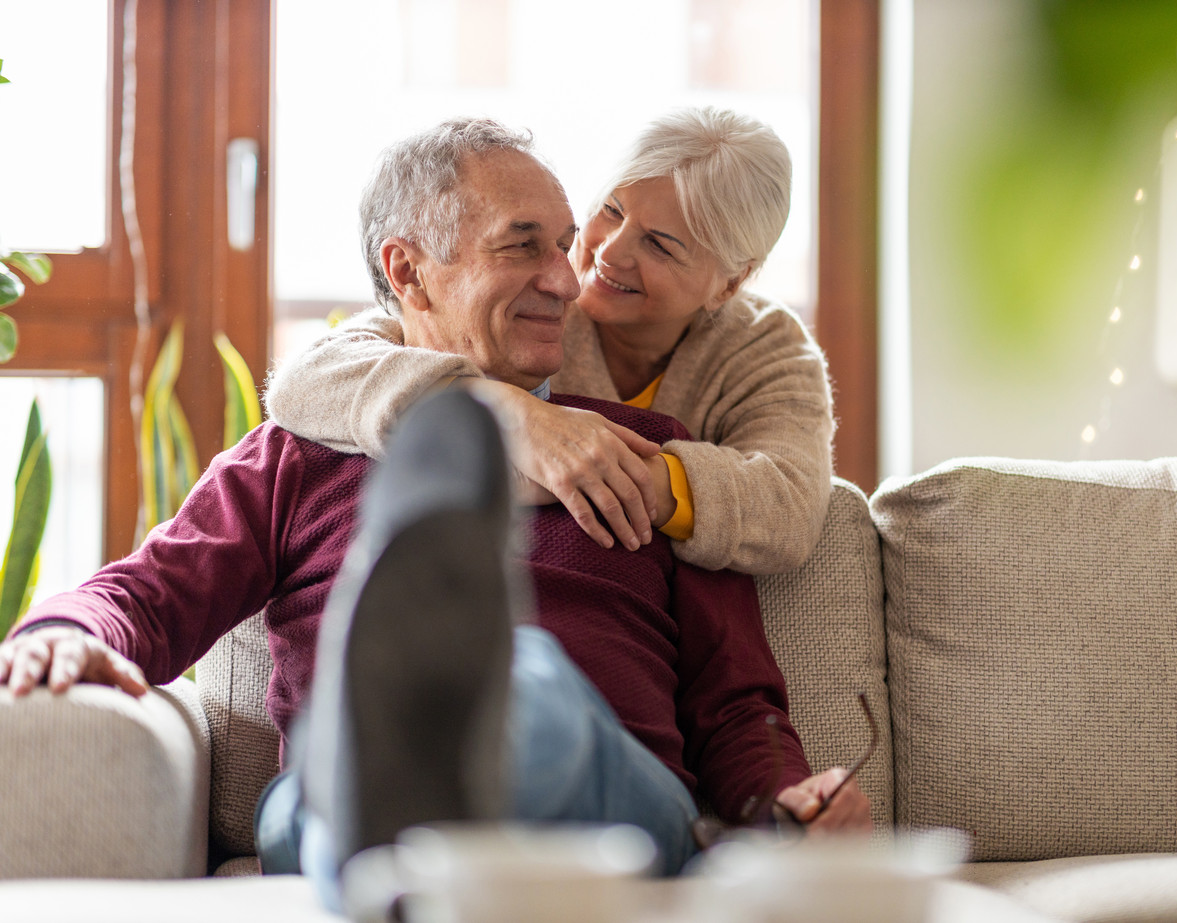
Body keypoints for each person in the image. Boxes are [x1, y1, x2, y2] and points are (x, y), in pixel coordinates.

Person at [0, 118, 869, 912]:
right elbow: (146, 595)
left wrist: (784, 805)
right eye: (524, 246)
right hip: (332, 801)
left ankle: (445, 712)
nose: (571, 280)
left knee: (519, 680)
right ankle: (405, 750)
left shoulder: (644, 456)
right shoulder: (300, 452)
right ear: (406, 270)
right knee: (330, 789)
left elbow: (734, 704)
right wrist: (64, 632)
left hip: (604, 807)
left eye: (564, 247)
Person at [264, 107, 833, 576]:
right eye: (611, 210)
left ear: (729, 283)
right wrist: (507, 412)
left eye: (660, 244)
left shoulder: (765, 349)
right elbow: (313, 378)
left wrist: (602, 471)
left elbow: (789, 506)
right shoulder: (536, 295)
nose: (607, 253)